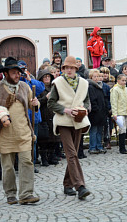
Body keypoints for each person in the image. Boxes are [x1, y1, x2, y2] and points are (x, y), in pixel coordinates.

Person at [0, 56, 40, 205]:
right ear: (6, 73)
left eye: (19, 72)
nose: (17, 75)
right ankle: (11, 194)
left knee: (27, 162)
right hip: (5, 134)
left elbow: (32, 106)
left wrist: (36, 104)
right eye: (14, 72)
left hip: (24, 132)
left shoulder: (25, 87)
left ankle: (26, 194)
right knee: (8, 167)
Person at [47, 55, 91, 199]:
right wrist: (66, 110)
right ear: (63, 69)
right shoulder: (57, 82)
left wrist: (84, 108)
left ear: (76, 69)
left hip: (78, 120)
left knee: (74, 153)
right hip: (63, 121)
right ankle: (80, 186)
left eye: (72, 68)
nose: (69, 70)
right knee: (71, 154)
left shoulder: (84, 83)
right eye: (66, 68)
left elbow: (87, 101)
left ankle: (67, 184)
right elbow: (51, 103)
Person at [37, 69, 61, 166]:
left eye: (48, 77)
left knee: (53, 139)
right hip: (44, 115)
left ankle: (51, 156)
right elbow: (37, 102)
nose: (47, 78)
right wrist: (45, 98)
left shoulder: (53, 87)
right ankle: (44, 158)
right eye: (45, 77)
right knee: (44, 140)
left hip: (53, 115)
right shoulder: (39, 89)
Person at [87, 69, 107, 154]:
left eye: (98, 76)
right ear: (91, 77)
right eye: (94, 76)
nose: (96, 78)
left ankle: (99, 146)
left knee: (99, 131)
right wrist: (97, 109)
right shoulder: (91, 86)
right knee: (94, 131)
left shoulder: (100, 86)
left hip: (101, 112)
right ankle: (92, 147)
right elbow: (92, 100)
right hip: (95, 113)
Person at [110, 74, 127, 154]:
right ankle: (122, 148)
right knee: (122, 129)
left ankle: (123, 146)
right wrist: (114, 113)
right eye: (122, 80)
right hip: (119, 112)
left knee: (125, 129)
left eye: (125, 80)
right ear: (118, 80)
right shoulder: (115, 90)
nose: (124, 82)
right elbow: (114, 102)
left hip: (126, 112)